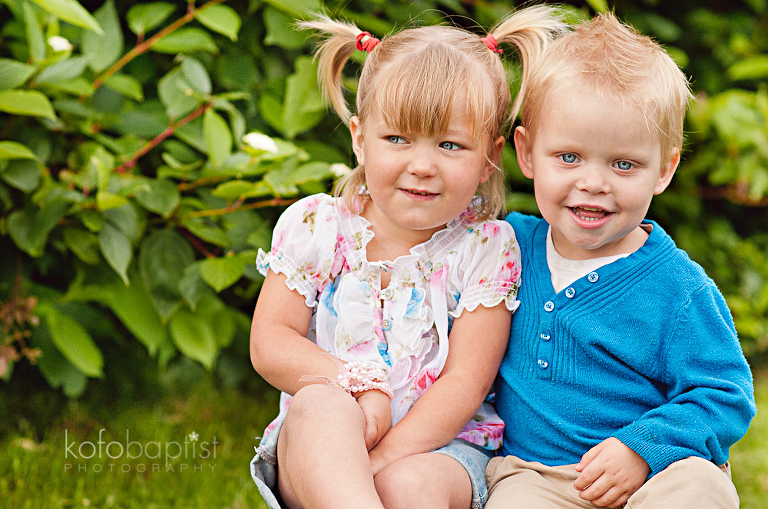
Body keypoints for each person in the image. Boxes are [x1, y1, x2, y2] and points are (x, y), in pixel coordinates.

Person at [248, 6, 566, 509]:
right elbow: (270, 341)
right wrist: (358, 383)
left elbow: (465, 380)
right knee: (322, 404)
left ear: (489, 158)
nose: (422, 166)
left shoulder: (486, 248)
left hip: (444, 449)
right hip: (323, 447)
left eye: (450, 145)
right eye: (397, 139)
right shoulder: (319, 227)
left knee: (406, 487)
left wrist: (385, 457)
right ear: (358, 139)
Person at [486, 12, 757, 509]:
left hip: (652, 475)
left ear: (665, 168)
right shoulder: (504, 247)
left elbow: (724, 394)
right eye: (568, 157)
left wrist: (642, 448)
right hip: (538, 475)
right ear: (526, 153)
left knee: (698, 487)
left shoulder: (678, 288)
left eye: (624, 164)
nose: (593, 182)